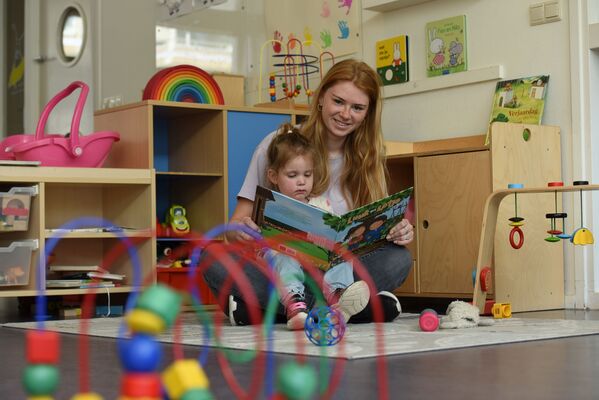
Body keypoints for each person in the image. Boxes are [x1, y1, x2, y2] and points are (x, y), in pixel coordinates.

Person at [201, 58, 415, 325]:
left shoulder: (368, 160)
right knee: (213, 257)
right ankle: (352, 310)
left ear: (367, 113)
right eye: (338, 102)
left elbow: (374, 236)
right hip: (282, 265)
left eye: (357, 108)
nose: (346, 114)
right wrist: (244, 230)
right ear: (321, 97)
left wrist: (397, 231)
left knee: (398, 259)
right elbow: (233, 230)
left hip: (338, 272)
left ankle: (277, 310)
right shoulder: (279, 145)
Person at [260, 123, 370, 330]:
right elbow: (262, 245)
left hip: (318, 264)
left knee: (342, 253)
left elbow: (334, 234)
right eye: (292, 176)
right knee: (286, 256)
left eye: (307, 175)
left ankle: (339, 297)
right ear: (274, 176)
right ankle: (295, 305)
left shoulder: (321, 205)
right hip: (284, 261)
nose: (301, 182)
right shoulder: (270, 207)